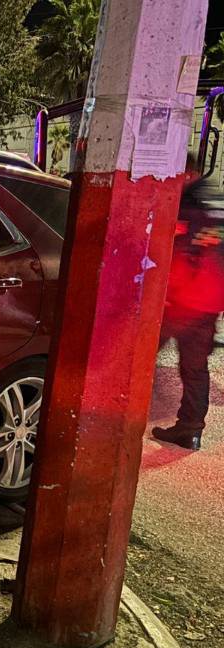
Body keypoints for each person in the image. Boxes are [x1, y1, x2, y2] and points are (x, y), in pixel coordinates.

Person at [151, 161, 224, 451]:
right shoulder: (214, 211)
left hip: (181, 304)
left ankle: (116, 414)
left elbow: (184, 256)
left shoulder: (187, 208)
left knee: (139, 358)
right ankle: (191, 430)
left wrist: (167, 294)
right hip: (207, 306)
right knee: (195, 370)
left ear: (189, 174)